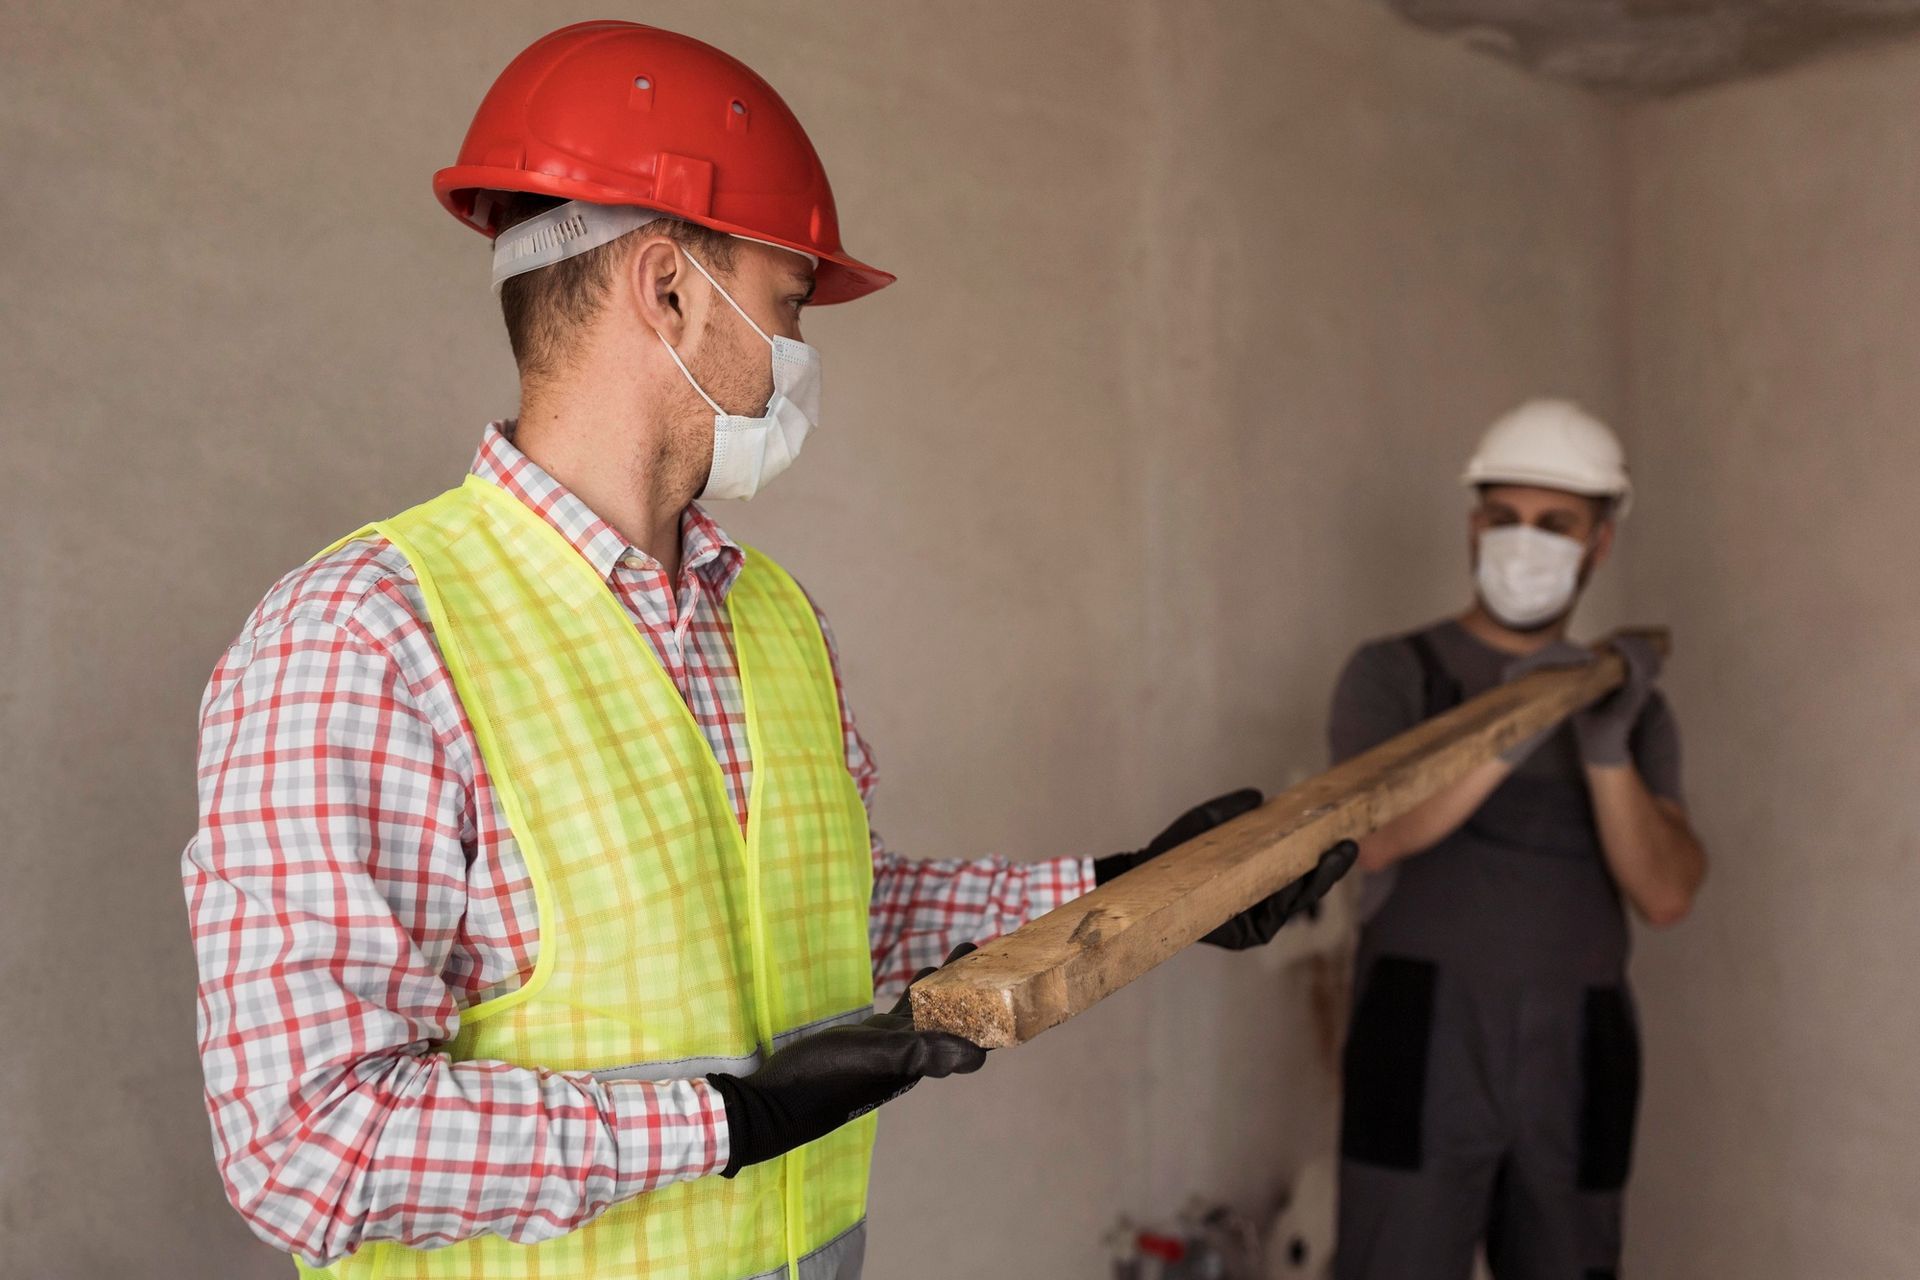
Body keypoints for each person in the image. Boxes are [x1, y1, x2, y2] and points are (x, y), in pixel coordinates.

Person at [180, 23, 1353, 1280]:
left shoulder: (772, 613)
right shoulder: (365, 637)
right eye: (790, 304)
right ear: (670, 285)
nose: (802, 356)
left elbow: (834, 918)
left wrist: (1136, 887)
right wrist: (729, 1118)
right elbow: (307, 1142)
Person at [1328, 399, 1707, 1280]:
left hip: (1580, 1042)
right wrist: (1517, 723)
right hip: (1421, 1032)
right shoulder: (1393, 674)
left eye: (1555, 524)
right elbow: (1372, 837)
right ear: (1472, 525)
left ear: (1600, 544)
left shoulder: (1633, 706)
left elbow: (1667, 893)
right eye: (1503, 518)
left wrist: (1604, 746)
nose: (1523, 542)